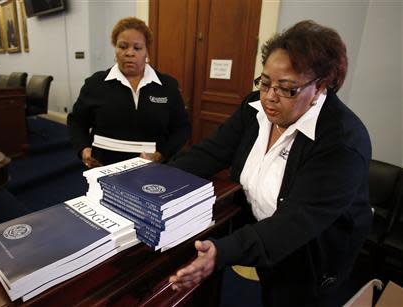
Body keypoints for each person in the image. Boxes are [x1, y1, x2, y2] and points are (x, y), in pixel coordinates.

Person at [168, 20, 372, 307]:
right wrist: (157, 176)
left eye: (287, 89)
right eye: (265, 82)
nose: (269, 97)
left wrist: (222, 252)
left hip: (310, 255)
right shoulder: (255, 109)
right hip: (263, 239)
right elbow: (211, 153)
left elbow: (295, 222)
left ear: (320, 87)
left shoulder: (342, 142)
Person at [67, 17, 190, 167]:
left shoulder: (167, 86)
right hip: (102, 168)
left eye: (137, 48)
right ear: (115, 49)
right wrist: (84, 150)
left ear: (146, 52)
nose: (129, 53)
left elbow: (181, 128)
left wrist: (160, 155)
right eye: (123, 46)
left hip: (152, 169)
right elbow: (77, 122)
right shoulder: (95, 84)